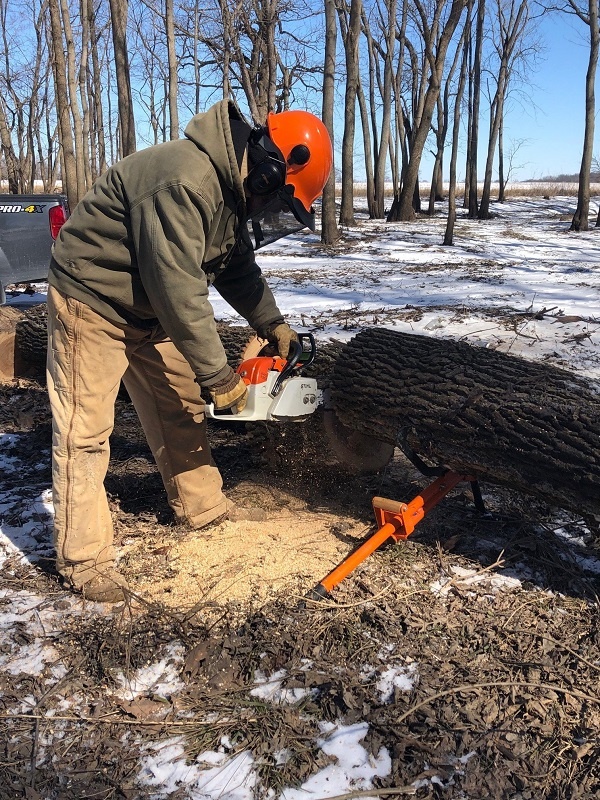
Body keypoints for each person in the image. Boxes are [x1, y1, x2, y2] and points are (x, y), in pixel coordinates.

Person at [46, 100, 333, 603]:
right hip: (92, 297)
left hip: (147, 306)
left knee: (179, 408)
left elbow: (234, 266)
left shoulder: (228, 190)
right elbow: (180, 290)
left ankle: (202, 507)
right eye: (278, 199)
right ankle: (83, 559)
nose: (269, 211)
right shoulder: (187, 182)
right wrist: (220, 378)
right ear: (269, 169)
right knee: (84, 431)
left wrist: (273, 323)